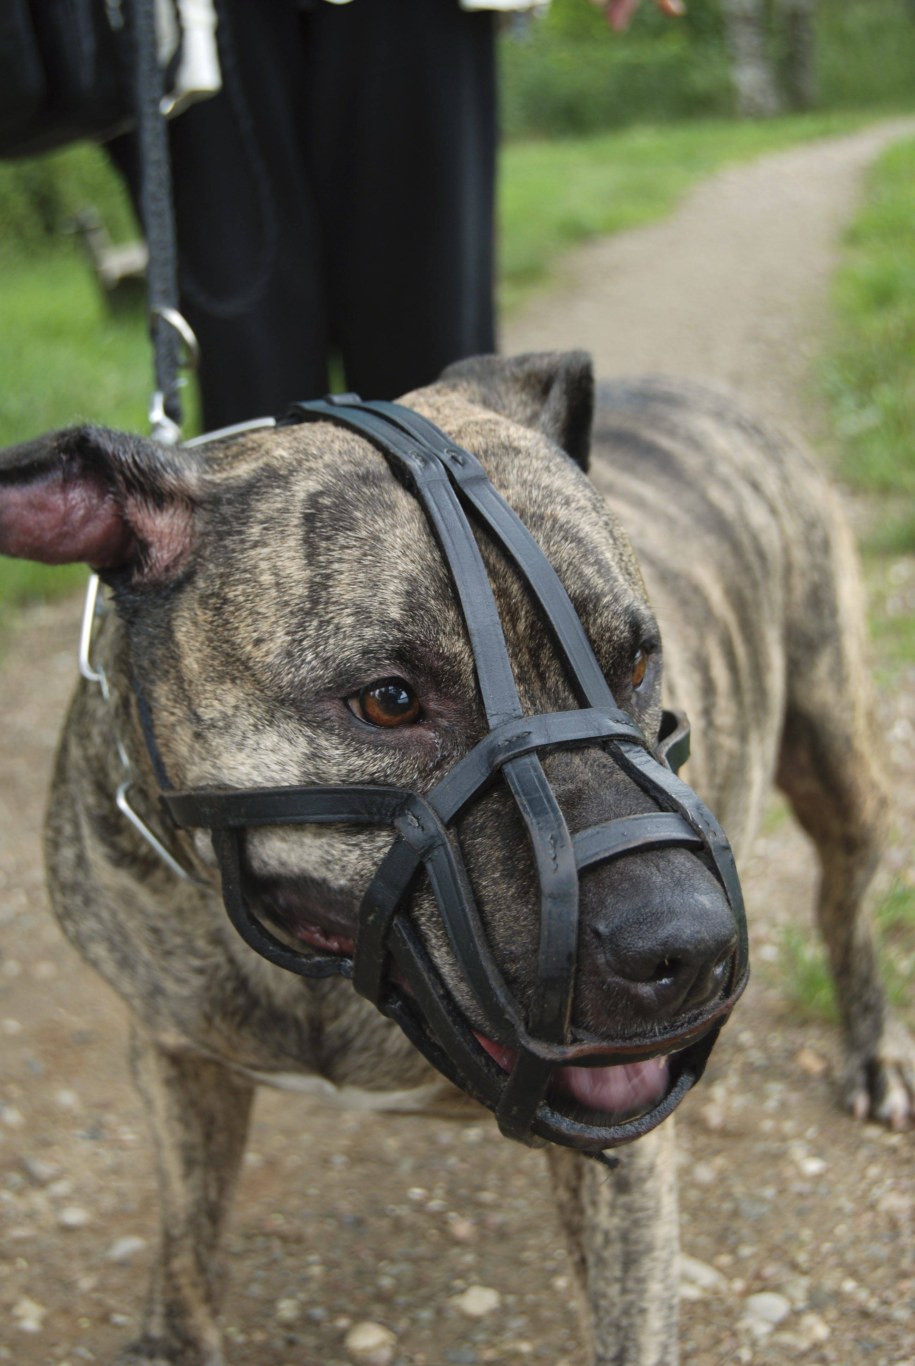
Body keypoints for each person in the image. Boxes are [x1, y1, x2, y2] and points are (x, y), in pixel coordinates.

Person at [111, 0, 681, 432]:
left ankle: (453, 554)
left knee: (436, 390)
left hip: (413, 15)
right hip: (202, 23)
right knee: (251, 391)